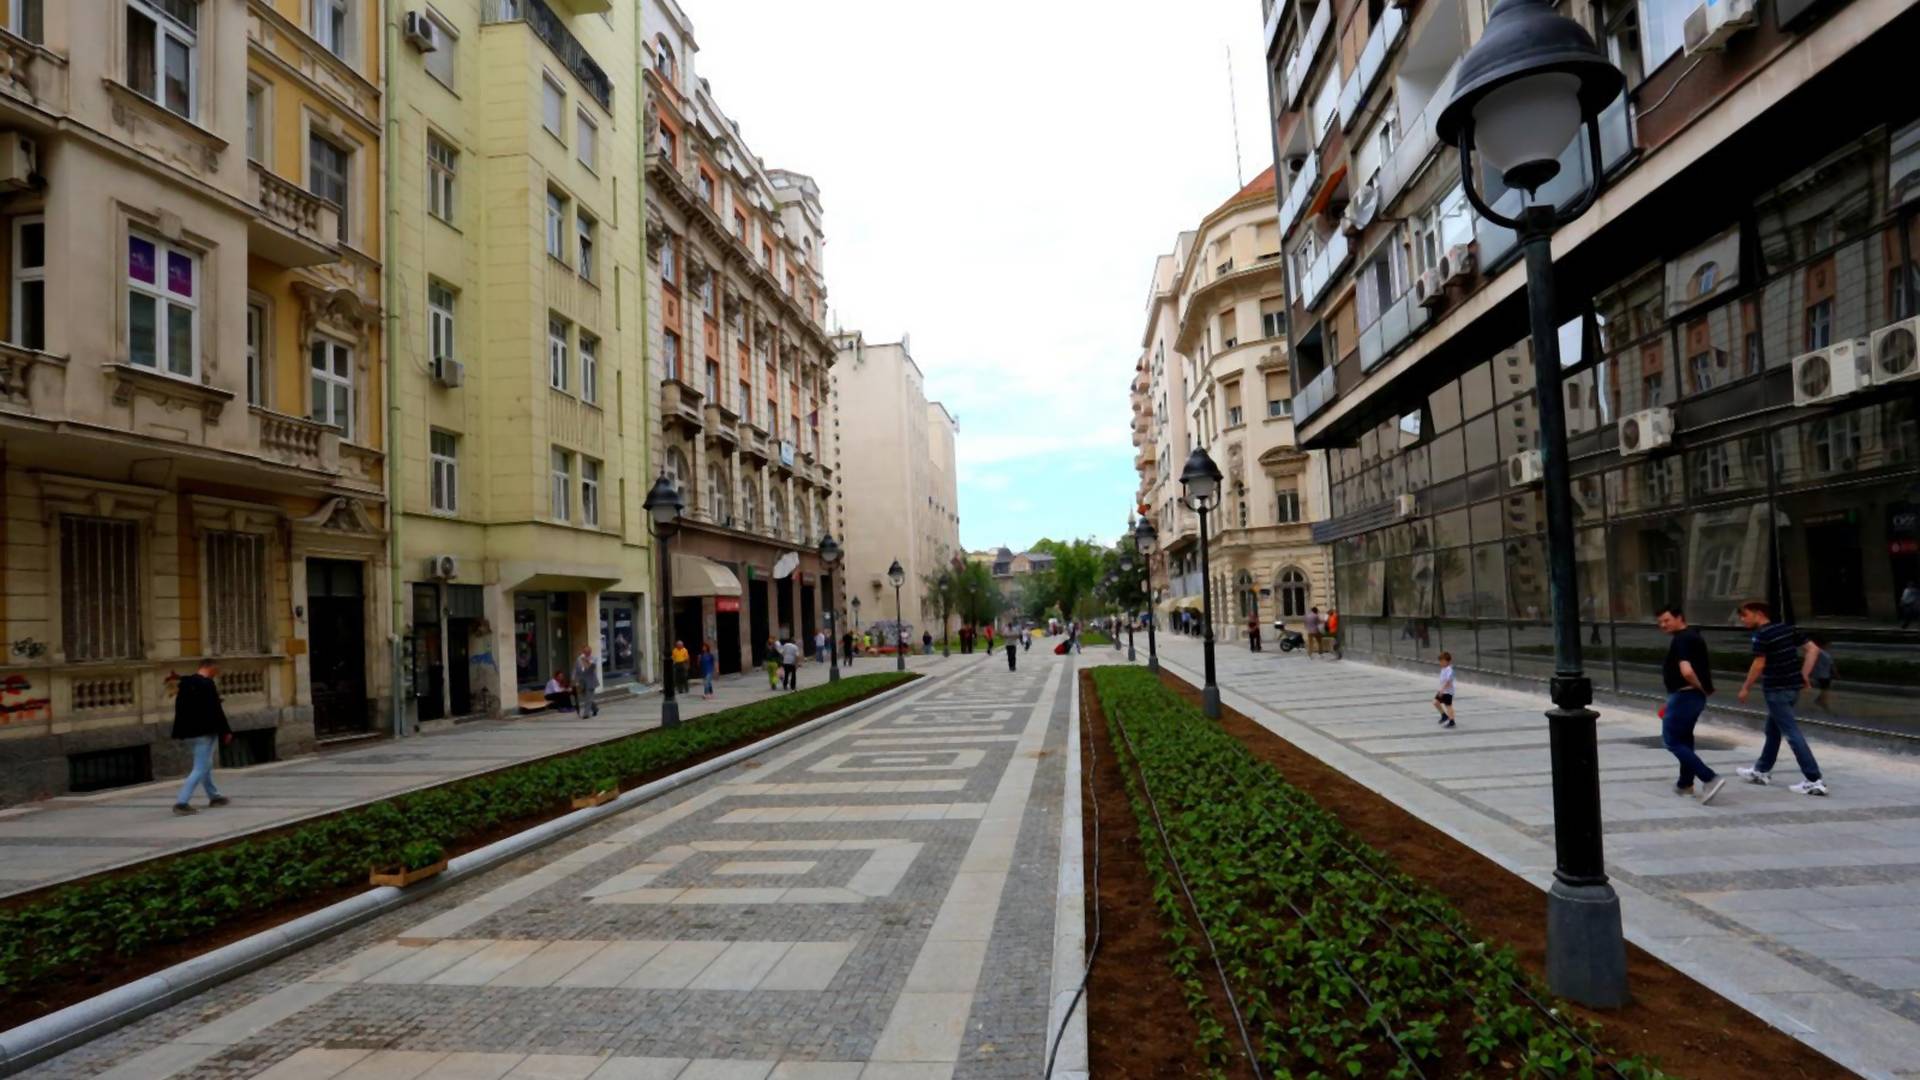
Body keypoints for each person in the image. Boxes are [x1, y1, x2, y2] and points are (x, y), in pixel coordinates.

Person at [1735, 600, 1827, 796]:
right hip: (1792, 688)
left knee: (1791, 733)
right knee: (1773, 729)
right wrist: (1804, 674)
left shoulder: (1762, 635)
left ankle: (1814, 779)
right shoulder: (1786, 629)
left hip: (1776, 690)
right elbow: (1813, 649)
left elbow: (1759, 664)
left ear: (1758, 613)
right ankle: (1761, 771)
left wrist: (1745, 688)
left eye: (1744, 615)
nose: (1742, 620)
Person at [1656, 606, 1726, 804]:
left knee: (1671, 741)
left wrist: (1699, 687)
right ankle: (1685, 784)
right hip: (1690, 697)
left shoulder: (1682, 639)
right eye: (1660, 622)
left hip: (1685, 695)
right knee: (1684, 739)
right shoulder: (1692, 636)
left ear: (1679, 618)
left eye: (1667, 620)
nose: (1663, 625)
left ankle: (1710, 778)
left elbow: (1686, 671)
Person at [171, 659, 232, 815]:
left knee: (206, 764)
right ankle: (182, 802)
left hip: (189, 732)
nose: (216, 673)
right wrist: (226, 731)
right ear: (209, 667)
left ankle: (214, 796)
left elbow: (181, 709)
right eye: (216, 670)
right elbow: (216, 710)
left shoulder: (185, 684)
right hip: (205, 732)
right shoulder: (207, 684)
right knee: (199, 767)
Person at [573, 646, 600, 718]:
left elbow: (590, 668)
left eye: (587, 652)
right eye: (584, 652)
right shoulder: (579, 659)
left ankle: (586, 714)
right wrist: (574, 679)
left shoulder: (594, 658)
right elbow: (576, 669)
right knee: (586, 697)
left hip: (590, 681)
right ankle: (595, 708)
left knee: (588, 698)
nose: (585, 653)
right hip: (581, 681)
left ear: (590, 652)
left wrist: (585, 660)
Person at [1432, 651, 1457, 729]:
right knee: (1436, 702)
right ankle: (1444, 715)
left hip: (1448, 691)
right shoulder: (1444, 668)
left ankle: (1452, 721)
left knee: (1448, 706)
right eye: (1440, 661)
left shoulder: (1449, 669)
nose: (1440, 663)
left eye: (1442, 661)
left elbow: (1449, 681)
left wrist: (1442, 689)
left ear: (1447, 661)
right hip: (1443, 690)